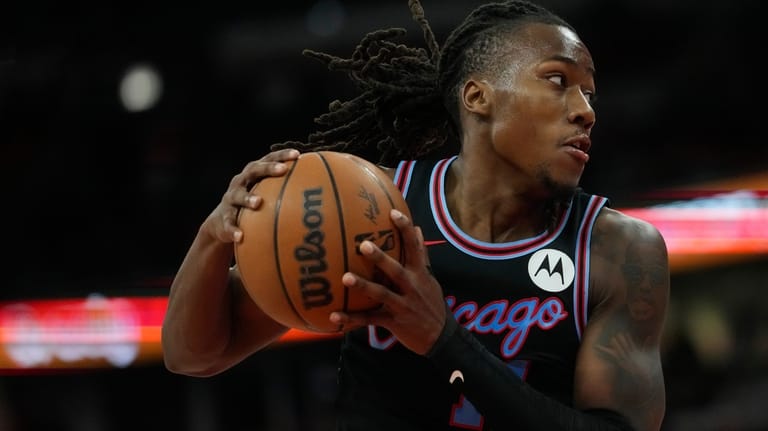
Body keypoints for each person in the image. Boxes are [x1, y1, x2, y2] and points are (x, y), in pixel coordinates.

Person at [161, 0, 670, 430]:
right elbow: (194, 355)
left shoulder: (618, 250)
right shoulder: (371, 207)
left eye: (589, 92)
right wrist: (212, 239)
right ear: (478, 97)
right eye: (558, 80)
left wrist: (443, 340)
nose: (586, 110)